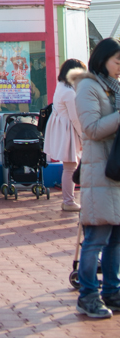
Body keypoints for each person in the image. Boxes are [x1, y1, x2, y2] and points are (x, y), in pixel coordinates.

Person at [73, 38, 120, 318]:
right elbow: (91, 129)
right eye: (117, 61)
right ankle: (88, 294)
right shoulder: (88, 87)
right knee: (96, 238)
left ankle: (112, 291)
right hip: (100, 171)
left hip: (115, 172)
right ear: (103, 59)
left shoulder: (114, 88)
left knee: (115, 239)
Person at [44, 57, 85, 214]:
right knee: (70, 168)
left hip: (63, 131)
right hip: (69, 133)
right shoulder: (69, 93)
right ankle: (68, 201)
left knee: (69, 167)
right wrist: (84, 136)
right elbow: (76, 118)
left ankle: (68, 200)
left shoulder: (61, 87)